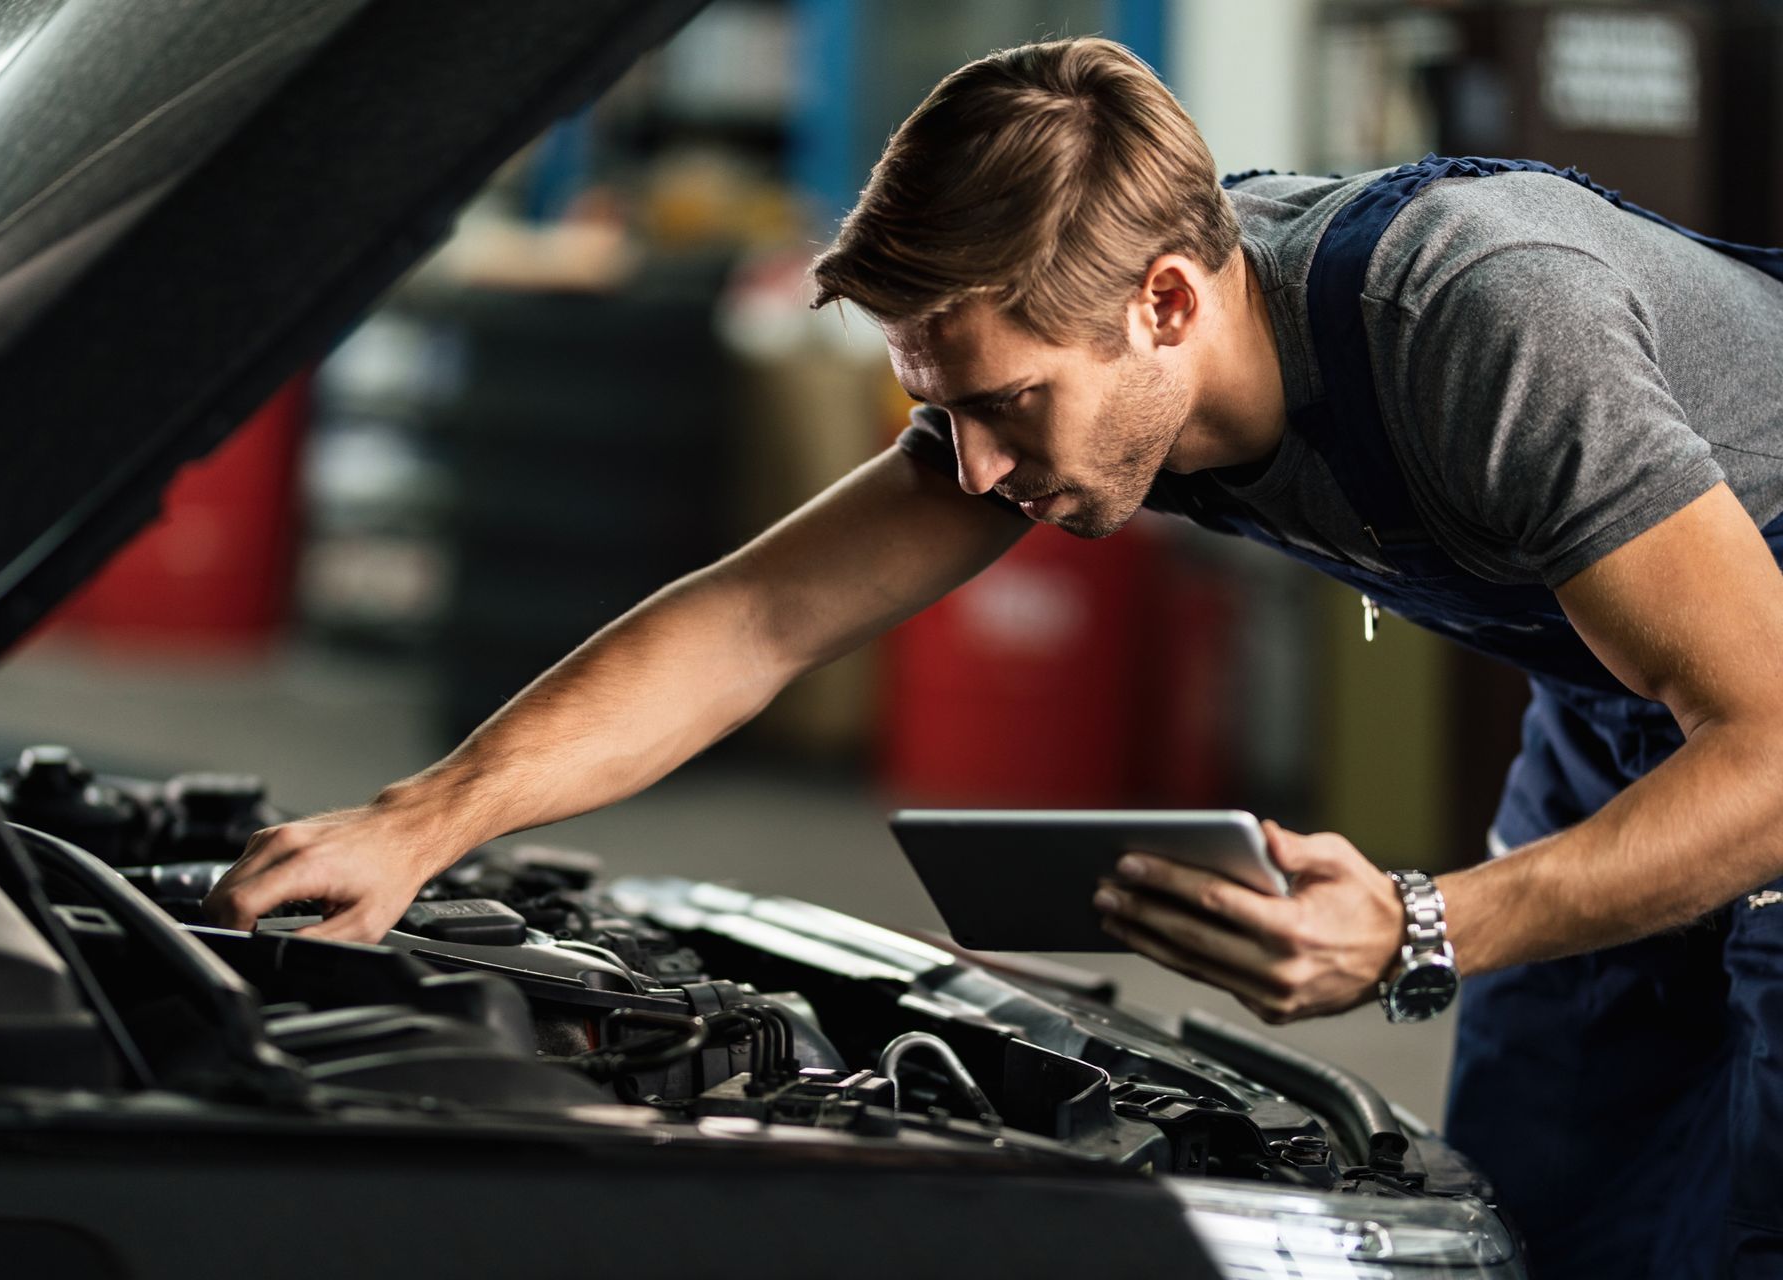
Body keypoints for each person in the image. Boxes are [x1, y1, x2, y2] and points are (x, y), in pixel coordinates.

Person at [205, 37, 1783, 1277]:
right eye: (935, 410)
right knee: (1539, 1206)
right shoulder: (1082, 347)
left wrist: (1429, 929)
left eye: (1004, 406)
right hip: (1629, 697)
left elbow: (1771, 748)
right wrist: (424, 818)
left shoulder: (1481, 325)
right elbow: (760, 619)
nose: (967, 471)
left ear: (1166, 303)